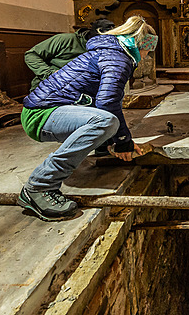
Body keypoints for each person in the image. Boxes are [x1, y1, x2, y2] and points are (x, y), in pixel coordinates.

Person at [17, 16, 158, 221]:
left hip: (50, 109)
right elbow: (108, 103)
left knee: (108, 121)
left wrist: (115, 142)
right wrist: (123, 142)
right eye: (147, 50)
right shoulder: (119, 58)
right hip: (41, 115)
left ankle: (104, 148)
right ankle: (39, 186)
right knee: (106, 121)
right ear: (140, 43)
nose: (146, 56)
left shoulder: (112, 52)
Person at [24, 18, 115, 90]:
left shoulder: (105, 48)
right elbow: (31, 54)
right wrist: (50, 74)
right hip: (50, 87)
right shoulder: (65, 39)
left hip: (79, 90)